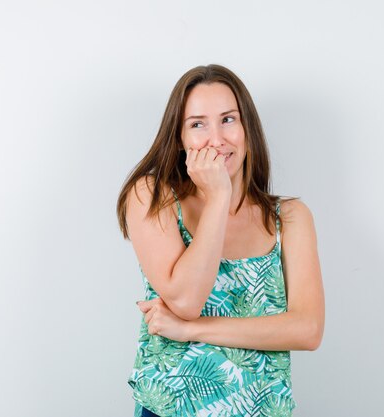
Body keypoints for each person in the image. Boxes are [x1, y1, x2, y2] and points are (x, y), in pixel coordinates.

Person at [116, 64, 325, 417]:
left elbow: (308, 330)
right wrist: (217, 199)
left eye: (228, 119)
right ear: (180, 138)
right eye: (197, 124)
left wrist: (191, 330)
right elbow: (185, 299)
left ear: (247, 128)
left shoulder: (290, 217)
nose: (217, 139)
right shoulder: (152, 195)